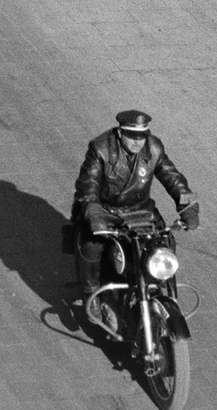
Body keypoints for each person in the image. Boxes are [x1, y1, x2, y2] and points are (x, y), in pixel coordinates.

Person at [71, 109, 198, 337]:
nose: (138, 142)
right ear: (120, 133)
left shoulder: (154, 148)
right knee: (92, 246)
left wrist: (188, 206)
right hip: (106, 212)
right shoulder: (100, 148)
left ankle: (165, 295)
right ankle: (91, 293)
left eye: (142, 136)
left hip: (141, 213)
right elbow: (87, 186)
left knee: (165, 246)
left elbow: (173, 177)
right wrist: (95, 215)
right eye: (132, 136)